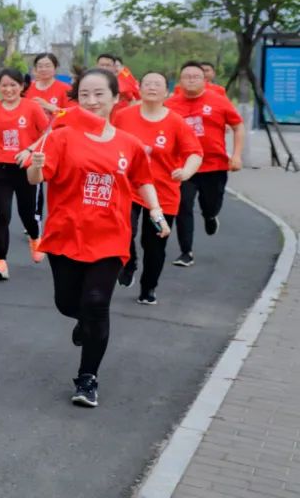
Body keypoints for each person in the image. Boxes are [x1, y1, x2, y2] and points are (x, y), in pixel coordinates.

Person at [28, 68, 167, 408]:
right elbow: (35, 179)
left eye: (99, 94)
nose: (91, 101)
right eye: (84, 95)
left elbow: (142, 179)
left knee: (96, 302)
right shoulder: (61, 137)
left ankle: (87, 378)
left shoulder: (129, 144)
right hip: (66, 234)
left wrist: (155, 211)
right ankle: (83, 321)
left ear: (116, 98)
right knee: (67, 303)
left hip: (110, 237)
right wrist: (36, 164)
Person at [113, 72, 203, 304]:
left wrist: (186, 171)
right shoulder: (123, 117)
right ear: (140, 89)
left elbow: (195, 152)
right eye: (148, 83)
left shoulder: (176, 122)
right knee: (123, 229)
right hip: (128, 188)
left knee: (154, 245)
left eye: (157, 84)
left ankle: (148, 287)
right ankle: (128, 262)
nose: (152, 87)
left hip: (163, 194)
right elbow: (108, 140)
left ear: (167, 92)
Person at [0, 67, 48, 280]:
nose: (8, 89)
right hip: (1, 170)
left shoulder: (31, 107)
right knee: (2, 213)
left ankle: (35, 238)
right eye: (4, 85)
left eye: (13, 85)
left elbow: (47, 134)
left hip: (26, 169)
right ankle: (0, 262)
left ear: (21, 86)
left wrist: (29, 150)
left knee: (27, 213)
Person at [165, 61, 245, 267]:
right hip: (183, 166)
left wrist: (236, 155)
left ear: (205, 80)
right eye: (187, 76)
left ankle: (210, 216)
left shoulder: (219, 101)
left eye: (196, 76)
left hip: (214, 164)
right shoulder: (170, 105)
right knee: (183, 205)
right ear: (180, 81)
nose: (191, 80)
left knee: (211, 204)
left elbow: (238, 126)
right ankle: (186, 252)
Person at [24, 52, 70, 223]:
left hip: (57, 139)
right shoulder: (28, 89)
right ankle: (34, 218)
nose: (43, 69)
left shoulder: (64, 89)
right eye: (40, 66)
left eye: (47, 65)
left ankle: (59, 216)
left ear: (55, 68)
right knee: (35, 179)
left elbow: (73, 114)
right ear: (35, 69)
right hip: (31, 139)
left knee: (57, 180)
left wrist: (49, 107)